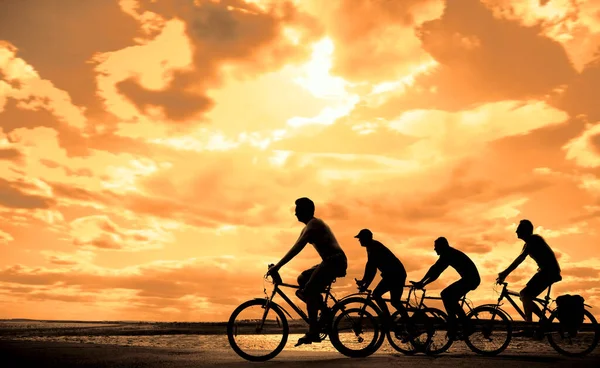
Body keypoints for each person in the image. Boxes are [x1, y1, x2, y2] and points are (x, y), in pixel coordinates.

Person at [267, 197, 347, 345]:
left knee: (309, 290)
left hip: (334, 261)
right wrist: (277, 266)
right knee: (302, 279)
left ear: (305, 211)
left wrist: (277, 267)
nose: (295, 213)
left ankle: (313, 331)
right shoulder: (308, 226)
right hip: (330, 261)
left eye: (297, 210)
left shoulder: (314, 225)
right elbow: (295, 245)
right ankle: (324, 310)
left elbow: (296, 249)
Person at [497, 219, 562, 337]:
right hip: (547, 272)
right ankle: (543, 321)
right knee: (526, 297)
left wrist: (504, 273)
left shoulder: (533, 240)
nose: (516, 231)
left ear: (524, 231)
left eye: (519, 228)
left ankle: (528, 327)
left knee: (524, 295)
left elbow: (519, 259)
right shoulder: (531, 242)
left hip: (548, 272)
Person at [412, 237, 480, 340]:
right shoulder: (448, 253)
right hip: (470, 279)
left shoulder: (448, 254)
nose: (435, 249)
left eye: (436, 247)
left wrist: (422, 283)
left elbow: (435, 270)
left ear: (442, 246)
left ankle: (463, 325)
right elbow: (435, 272)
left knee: (446, 295)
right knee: (449, 297)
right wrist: (422, 283)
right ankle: (456, 324)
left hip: (471, 279)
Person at [354, 229, 409, 325]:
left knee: (377, 295)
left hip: (395, 275)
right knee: (395, 302)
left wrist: (365, 284)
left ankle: (389, 317)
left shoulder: (374, 247)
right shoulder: (370, 247)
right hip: (393, 275)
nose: (359, 241)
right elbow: (370, 267)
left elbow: (372, 269)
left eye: (361, 238)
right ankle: (405, 323)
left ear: (366, 238)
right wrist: (364, 281)